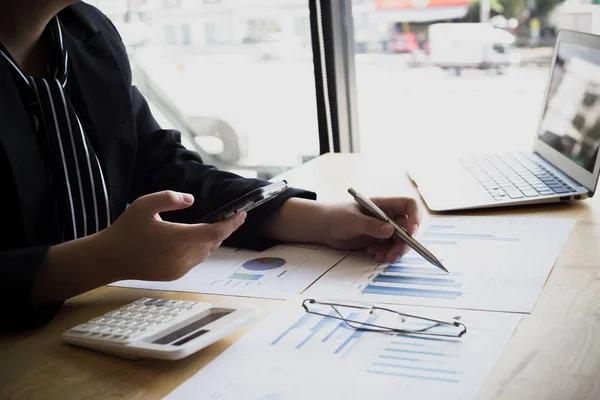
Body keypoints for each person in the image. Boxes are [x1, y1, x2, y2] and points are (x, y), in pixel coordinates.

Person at [0, 0, 421, 331]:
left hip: (101, 321)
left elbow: (163, 168)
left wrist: (319, 220)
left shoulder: (85, 32)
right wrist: (102, 260)